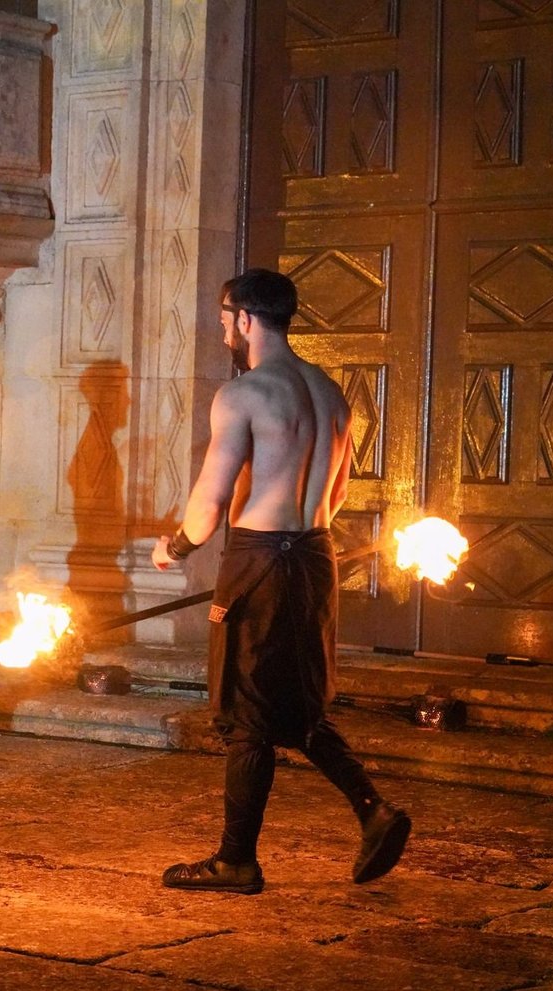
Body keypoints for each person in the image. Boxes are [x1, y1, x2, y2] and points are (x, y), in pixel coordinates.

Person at [152, 268, 410, 893]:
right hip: (314, 557)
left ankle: (235, 860)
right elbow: (337, 495)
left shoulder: (243, 394)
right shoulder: (330, 393)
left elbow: (209, 503)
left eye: (225, 321)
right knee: (298, 699)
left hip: (259, 558)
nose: (224, 331)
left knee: (245, 711)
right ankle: (374, 811)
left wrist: (174, 547)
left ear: (245, 319)